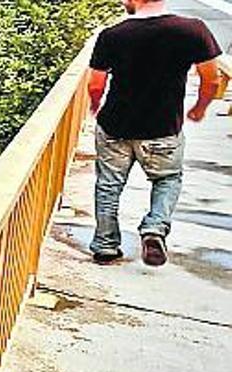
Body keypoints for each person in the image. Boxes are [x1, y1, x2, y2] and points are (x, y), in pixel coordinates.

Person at [86, 0, 223, 266]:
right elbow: (213, 78)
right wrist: (199, 108)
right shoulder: (192, 30)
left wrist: (94, 104)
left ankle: (105, 245)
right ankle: (154, 228)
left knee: (109, 185)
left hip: (115, 126)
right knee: (167, 180)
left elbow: (95, 83)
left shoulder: (113, 35)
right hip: (162, 128)